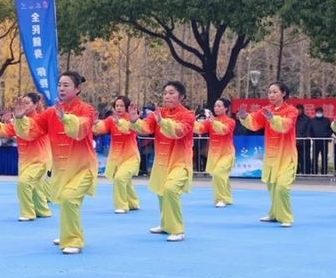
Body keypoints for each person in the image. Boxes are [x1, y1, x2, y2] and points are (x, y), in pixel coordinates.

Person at [13, 71, 96, 255]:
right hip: (62, 168)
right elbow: (31, 131)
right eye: (60, 84)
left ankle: (73, 240)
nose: (61, 88)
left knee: (68, 197)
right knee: (67, 200)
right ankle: (68, 233)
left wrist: (65, 118)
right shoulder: (50, 112)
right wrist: (20, 118)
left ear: (78, 89)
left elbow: (81, 128)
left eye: (66, 85)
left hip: (83, 167)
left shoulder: (86, 109)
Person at [129, 81, 195, 242]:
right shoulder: (157, 113)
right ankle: (166, 224)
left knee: (170, 189)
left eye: (171, 93)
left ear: (182, 96)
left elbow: (178, 131)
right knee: (161, 192)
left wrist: (162, 122)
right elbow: (145, 128)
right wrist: (135, 121)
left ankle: (178, 230)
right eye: (165, 92)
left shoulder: (188, 115)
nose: (167, 96)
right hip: (162, 161)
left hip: (180, 162)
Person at [237, 82, 298, 228]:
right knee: (272, 186)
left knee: (282, 187)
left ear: (283, 93)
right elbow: (254, 123)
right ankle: (274, 213)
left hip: (286, 155)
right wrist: (245, 117)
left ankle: (286, 217)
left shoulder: (292, 110)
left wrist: (273, 119)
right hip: (271, 155)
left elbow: (286, 125)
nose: (271, 95)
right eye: (269, 92)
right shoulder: (265, 110)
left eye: (275, 92)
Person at [0, 92, 51, 221]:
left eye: (27, 103)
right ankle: (43, 211)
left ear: (36, 104)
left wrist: (19, 118)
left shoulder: (39, 120)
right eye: (22, 103)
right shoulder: (19, 121)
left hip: (39, 160)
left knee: (24, 183)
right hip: (25, 161)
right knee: (35, 188)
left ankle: (28, 213)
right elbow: (7, 130)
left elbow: (28, 131)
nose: (24, 106)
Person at [92, 95, 140, 214]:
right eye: (117, 105)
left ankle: (122, 206)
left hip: (131, 157)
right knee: (125, 182)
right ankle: (133, 203)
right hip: (117, 158)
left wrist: (119, 122)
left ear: (127, 107)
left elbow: (128, 129)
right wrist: (94, 124)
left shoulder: (131, 119)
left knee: (119, 178)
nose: (118, 108)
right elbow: (101, 128)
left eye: (121, 106)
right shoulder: (111, 119)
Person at [195, 98, 237, 208]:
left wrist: (214, 122)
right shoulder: (210, 121)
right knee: (222, 176)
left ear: (226, 108)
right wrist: (190, 122)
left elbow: (223, 130)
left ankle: (220, 198)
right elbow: (200, 128)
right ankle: (227, 198)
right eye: (215, 106)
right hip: (215, 154)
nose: (216, 108)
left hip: (227, 153)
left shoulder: (230, 121)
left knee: (218, 174)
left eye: (219, 106)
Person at [310, 107, 332, 175]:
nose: (319, 113)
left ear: (322, 112)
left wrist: (327, 135)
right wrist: (312, 136)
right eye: (317, 112)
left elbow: (331, 129)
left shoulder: (327, 120)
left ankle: (324, 172)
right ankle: (314, 171)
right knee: (314, 157)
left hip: (324, 141)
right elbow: (309, 129)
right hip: (316, 141)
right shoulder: (312, 121)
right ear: (315, 112)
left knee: (324, 157)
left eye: (320, 112)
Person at [295, 104, 312, 175]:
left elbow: (309, 129)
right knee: (295, 158)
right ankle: (295, 172)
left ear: (302, 110)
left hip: (304, 141)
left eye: (300, 109)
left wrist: (307, 136)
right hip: (294, 141)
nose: (298, 111)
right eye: (297, 110)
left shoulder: (307, 119)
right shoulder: (293, 118)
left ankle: (306, 172)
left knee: (305, 157)